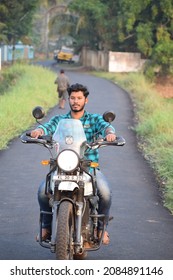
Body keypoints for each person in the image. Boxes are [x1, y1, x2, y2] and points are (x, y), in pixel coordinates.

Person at [31, 83, 116, 245]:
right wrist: (38, 132)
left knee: (104, 193)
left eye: (79, 98)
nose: (75, 101)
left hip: (88, 167)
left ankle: (100, 228)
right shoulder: (60, 119)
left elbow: (106, 126)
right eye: (72, 98)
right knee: (43, 191)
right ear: (68, 99)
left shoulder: (94, 119)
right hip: (62, 166)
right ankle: (46, 227)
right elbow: (47, 126)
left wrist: (110, 133)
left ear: (86, 100)